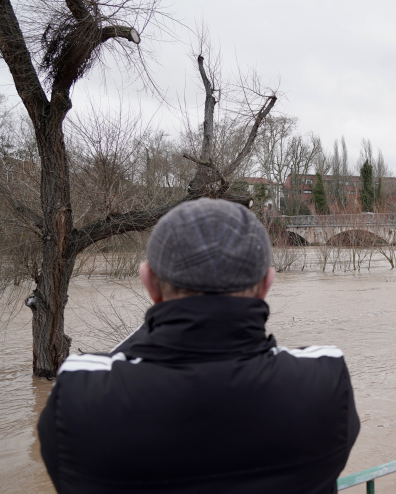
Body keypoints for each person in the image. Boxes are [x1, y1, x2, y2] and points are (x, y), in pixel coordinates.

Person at [38, 198, 360, 493]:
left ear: (148, 282)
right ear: (267, 284)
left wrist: (163, 317)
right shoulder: (325, 383)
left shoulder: (80, 396)